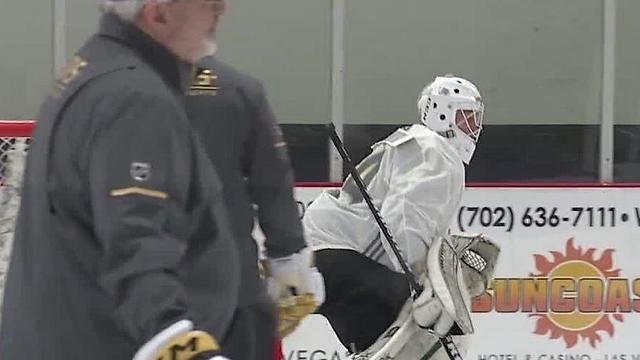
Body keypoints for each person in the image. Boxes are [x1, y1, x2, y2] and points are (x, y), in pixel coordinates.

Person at [0, 1, 241, 359]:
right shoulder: (134, 99)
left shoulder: (92, 72)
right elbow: (134, 238)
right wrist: (176, 343)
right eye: (208, 2)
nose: (222, 10)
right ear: (157, 12)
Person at [303, 75, 499, 358]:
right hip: (346, 257)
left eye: (475, 119)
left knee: (379, 342)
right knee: (435, 340)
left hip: (326, 257)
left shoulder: (414, 140)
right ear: (442, 111)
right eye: (465, 116)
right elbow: (406, 220)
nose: (473, 127)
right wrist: (416, 284)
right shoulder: (439, 151)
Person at [185, 53, 325, 359]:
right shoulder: (238, 90)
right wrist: (290, 268)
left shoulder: (111, 88)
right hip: (232, 289)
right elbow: (273, 183)